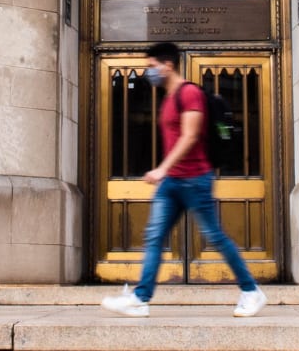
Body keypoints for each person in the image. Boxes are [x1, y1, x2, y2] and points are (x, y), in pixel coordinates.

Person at [101, 41, 267, 318]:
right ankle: (140, 299)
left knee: (214, 236)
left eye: (152, 66)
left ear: (168, 65)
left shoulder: (189, 93)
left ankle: (251, 291)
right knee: (154, 237)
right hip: (173, 183)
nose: (149, 73)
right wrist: (167, 173)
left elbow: (190, 136)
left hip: (194, 179)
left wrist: (162, 169)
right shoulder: (169, 98)